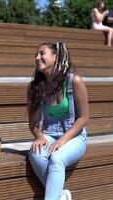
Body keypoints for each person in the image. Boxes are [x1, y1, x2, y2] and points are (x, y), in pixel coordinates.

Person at [27, 42, 88, 200]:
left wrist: (61, 141)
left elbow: (84, 118)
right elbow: (33, 124)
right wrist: (40, 137)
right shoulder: (34, 87)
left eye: (42, 53)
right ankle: (59, 195)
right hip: (48, 135)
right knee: (35, 152)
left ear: (56, 57)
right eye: (36, 54)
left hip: (74, 137)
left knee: (56, 158)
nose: (37, 57)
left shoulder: (74, 81)